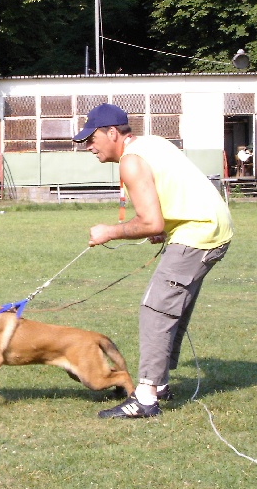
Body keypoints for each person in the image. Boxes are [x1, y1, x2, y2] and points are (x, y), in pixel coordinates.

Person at [73, 103, 233, 419]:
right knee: (171, 307)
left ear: (112, 132)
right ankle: (158, 386)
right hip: (213, 228)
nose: (88, 146)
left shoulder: (131, 162)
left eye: (91, 138)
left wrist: (109, 231)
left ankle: (145, 398)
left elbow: (150, 223)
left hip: (198, 233)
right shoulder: (153, 143)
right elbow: (172, 196)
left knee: (155, 309)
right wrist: (165, 225)